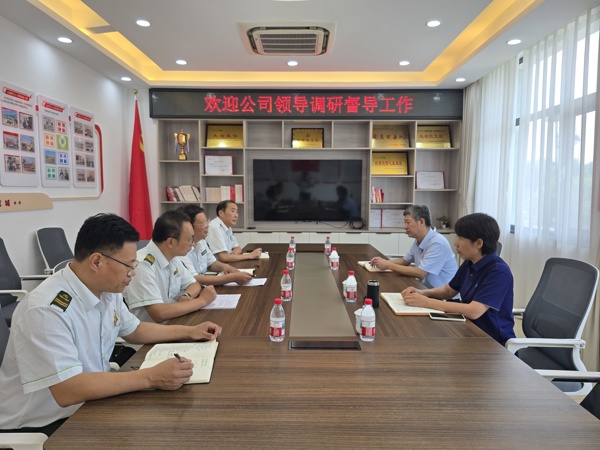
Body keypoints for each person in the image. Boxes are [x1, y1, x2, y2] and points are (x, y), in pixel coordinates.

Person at [0, 213, 222, 436]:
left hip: (90, 401)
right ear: (96, 262)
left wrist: (191, 332)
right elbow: (68, 390)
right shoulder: (46, 310)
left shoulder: (107, 288)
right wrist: (151, 376)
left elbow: (135, 330)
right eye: (128, 265)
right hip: (43, 423)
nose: (132, 273)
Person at [401, 212, 515, 345]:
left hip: (492, 342)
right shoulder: (469, 262)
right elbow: (449, 290)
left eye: (461, 238)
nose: (456, 243)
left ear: (479, 243)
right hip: (467, 330)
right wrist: (422, 293)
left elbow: (474, 311)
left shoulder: (498, 272)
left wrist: (426, 302)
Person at [124, 210, 217, 323]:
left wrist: (186, 295)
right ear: (171, 242)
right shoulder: (142, 265)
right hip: (155, 331)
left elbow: (194, 284)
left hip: (175, 322)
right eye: (189, 239)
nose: (193, 244)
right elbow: (159, 313)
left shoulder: (172, 257)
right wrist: (202, 300)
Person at [370, 205, 457, 289]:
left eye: (408, 222)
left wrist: (388, 265)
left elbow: (421, 273)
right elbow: (405, 261)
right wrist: (383, 262)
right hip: (425, 289)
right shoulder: (418, 239)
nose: (405, 227)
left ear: (421, 222)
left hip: (443, 296)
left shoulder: (437, 242)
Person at [177, 204, 252, 286]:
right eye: (202, 223)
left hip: (202, 286)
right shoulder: (181, 249)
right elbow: (195, 279)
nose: (207, 225)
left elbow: (211, 263)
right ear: (189, 226)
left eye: (206, 221)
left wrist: (227, 267)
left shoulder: (201, 241)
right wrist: (232, 278)